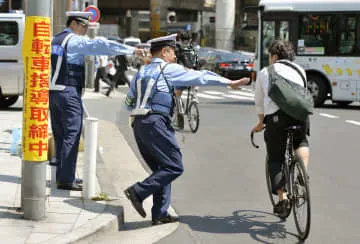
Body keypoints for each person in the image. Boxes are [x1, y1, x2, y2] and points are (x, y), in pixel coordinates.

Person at [124, 33, 251, 225]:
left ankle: (160, 214)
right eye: (173, 52)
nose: (175, 56)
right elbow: (200, 76)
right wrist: (228, 83)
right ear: (165, 52)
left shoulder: (141, 72)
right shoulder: (168, 68)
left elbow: (129, 102)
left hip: (138, 124)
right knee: (174, 166)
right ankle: (138, 191)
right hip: (156, 122)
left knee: (161, 168)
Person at [50, 11, 140, 191]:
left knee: (60, 135)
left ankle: (62, 176)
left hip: (54, 91)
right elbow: (100, 45)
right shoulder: (74, 40)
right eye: (83, 26)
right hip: (68, 91)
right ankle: (67, 179)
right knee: (72, 134)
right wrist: (132, 50)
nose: (85, 30)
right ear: (74, 23)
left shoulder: (56, 39)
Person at [252, 40, 310, 216]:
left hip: (277, 119)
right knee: (301, 141)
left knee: (276, 157)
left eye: (270, 56)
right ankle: (303, 174)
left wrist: (261, 122)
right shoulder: (300, 70)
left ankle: (282, 198)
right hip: (300, 116)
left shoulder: (265, 72)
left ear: (275, 56)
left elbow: (259, 102)